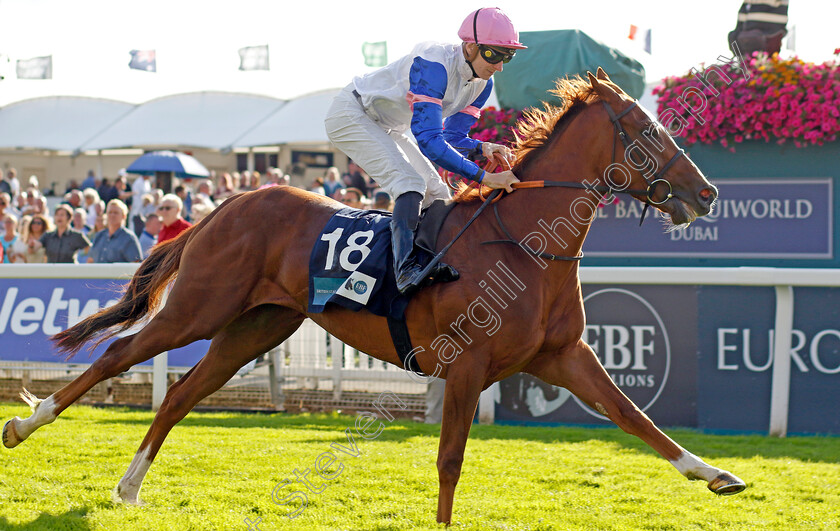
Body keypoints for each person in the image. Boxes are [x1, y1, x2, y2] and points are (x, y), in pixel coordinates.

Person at [325, 7, 523, 294]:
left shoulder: (483, 84)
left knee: (438, 192)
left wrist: (482, 147)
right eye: (494, 54)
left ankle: (426, 262)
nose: (500, 65)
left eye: (508, 56)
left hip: (388, 126)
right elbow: (430, 141)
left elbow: (452, 136)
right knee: (410, 184)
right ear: (470, 47)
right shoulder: (433, 63)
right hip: (351, 113)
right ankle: (404, 271)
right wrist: (484, 178)